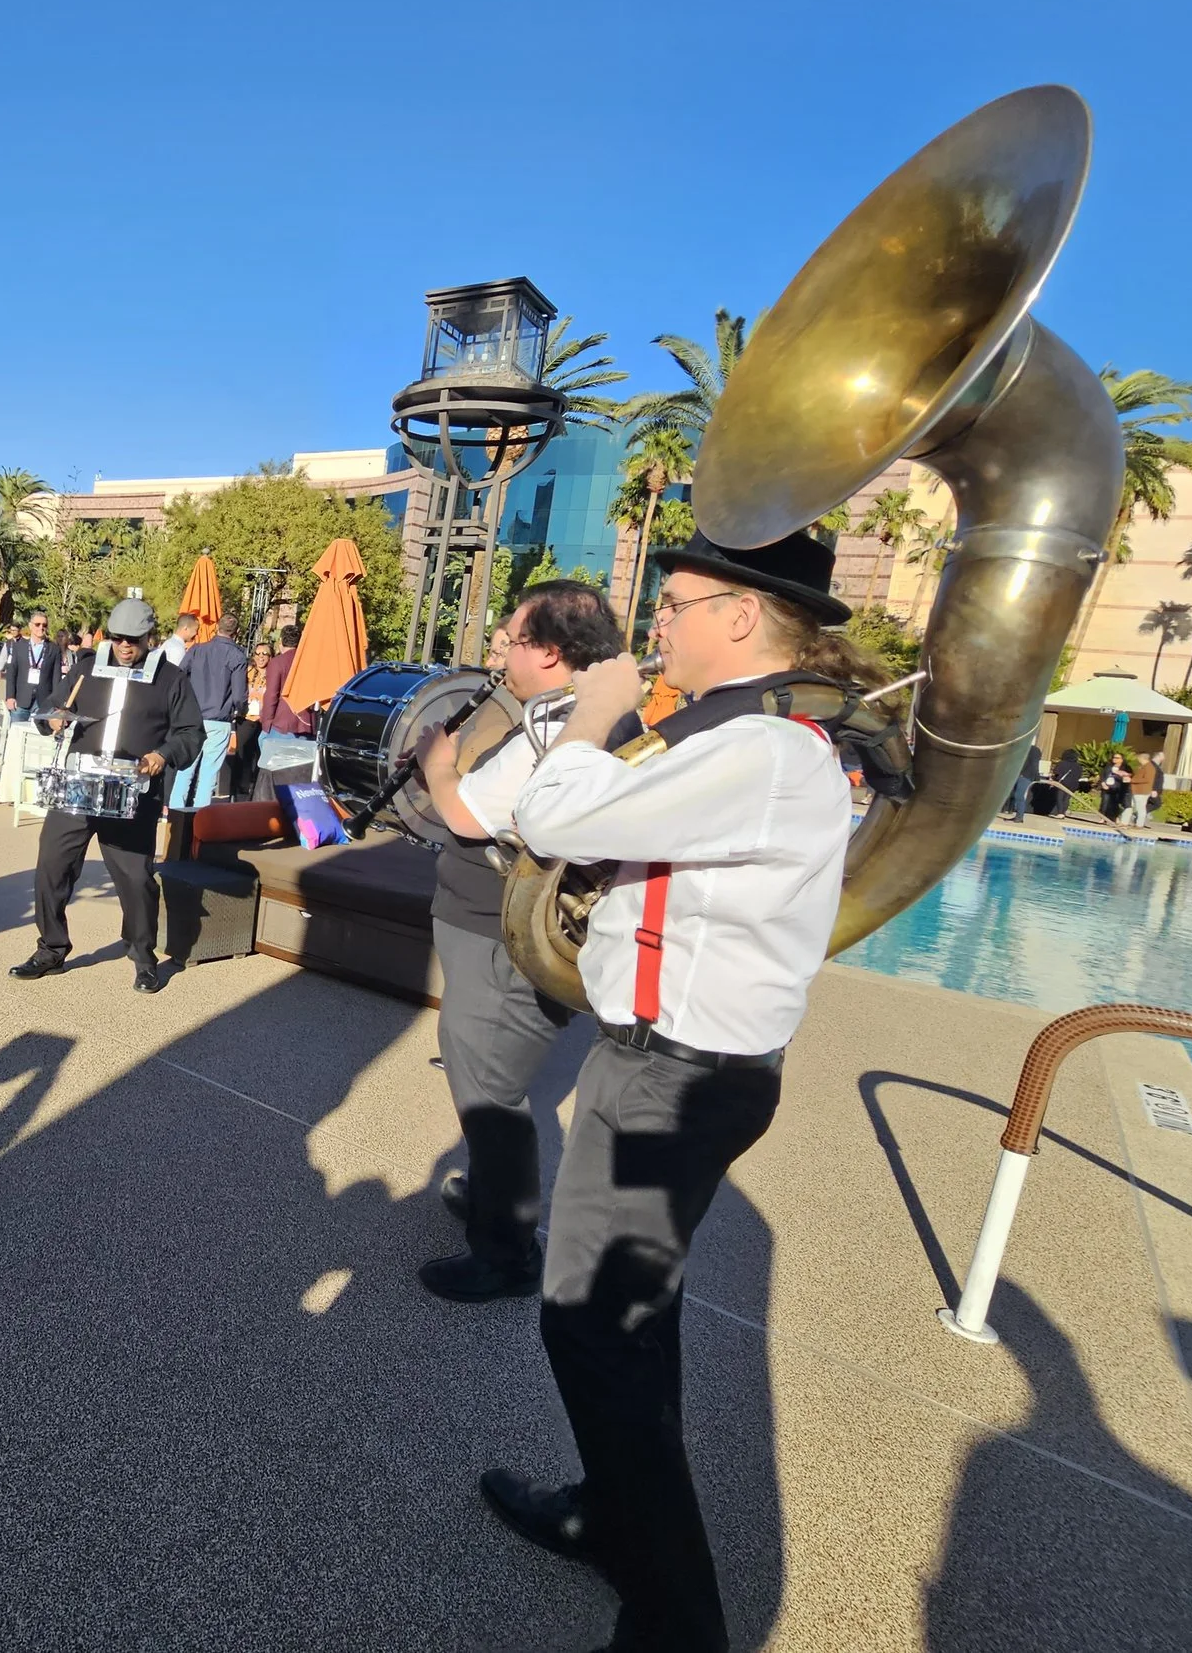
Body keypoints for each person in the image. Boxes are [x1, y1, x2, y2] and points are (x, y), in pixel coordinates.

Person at [473, 531, 871, 1653]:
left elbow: (553, 817)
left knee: (593, 1329)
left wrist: (591, 718)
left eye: (675, 602)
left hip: (676, 1076)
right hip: (662, 1065)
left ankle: (676, 1622)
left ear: (740, 617)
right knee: (630, 1328)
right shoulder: (743, 742)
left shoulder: (766, 749)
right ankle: (612, 1513)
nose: (653, 623)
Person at [411, 581, 636, 1299]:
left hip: (500, 932)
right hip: (495, 925)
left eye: (514, 636)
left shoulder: (565, 726)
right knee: (488, 1073)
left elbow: (468, 814)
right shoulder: (585, 715)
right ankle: (487, 1192)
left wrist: (436, 763)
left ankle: (504, 1248)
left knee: (489, 1090)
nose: (502, 647)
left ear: (550, 650)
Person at [10, 597, 205, 994]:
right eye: (118, 638)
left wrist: (162, 755)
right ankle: (51, 947)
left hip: (133, 793)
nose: (125, 646)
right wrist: (51, 719)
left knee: (136, 879)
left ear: (150, 636)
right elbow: (53, 708)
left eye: (133, 638)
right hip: (78, 786)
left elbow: (190, 733)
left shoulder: (170, 679)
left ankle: (143, 955)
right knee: (51, 864)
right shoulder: (86, 667)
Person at [169, 610, 249, 818]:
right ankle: (200, 819)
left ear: (216, 628)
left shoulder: (197, 649)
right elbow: (240, 695)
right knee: (208, 774)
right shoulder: (237, 656)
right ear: (237, 632)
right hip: (219, 720)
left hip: (192, 718)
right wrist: (240, 710)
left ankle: (175, 818)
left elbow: (179, 675)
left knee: (185, 769)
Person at [4, 608, 64, 719]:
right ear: (30, 626)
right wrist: (10, 697)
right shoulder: (19, 647)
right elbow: (11, 673)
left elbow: (56, 678)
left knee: (39, 736)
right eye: (37, 624)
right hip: (21, 701)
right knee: (17, 734)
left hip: (43, 702)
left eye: (44, 625)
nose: (41, 627)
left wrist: (55, 702)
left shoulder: (54, 649)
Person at [233, 639, 272, 797]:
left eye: (265, 654)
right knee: (242, 752)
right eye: (258, 654)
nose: (261, 657)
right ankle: (239, 787)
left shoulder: (273, 674)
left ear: (271, 657)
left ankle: (255, 787)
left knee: (259, 754)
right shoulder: (247, 671)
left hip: (264, 720)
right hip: (246, 718)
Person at [260, 624, 312, 737]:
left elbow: (271, 695)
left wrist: (266, 724)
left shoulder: (277, 663)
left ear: (281, 641)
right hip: (306, 723)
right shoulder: (310, 662)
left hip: (281, 724)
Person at [1128, 749, 1161, 827]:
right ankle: (1131, 822)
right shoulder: (1144, 767)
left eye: (1138, 758)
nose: (1137, 760)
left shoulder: (1149, 767)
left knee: (1140, 808)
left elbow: (1147, 779)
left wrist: (1132, 780)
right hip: (1138, 790)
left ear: (1141, 758)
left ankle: (1139, 824)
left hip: (1142, 791)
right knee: (1134, 806)